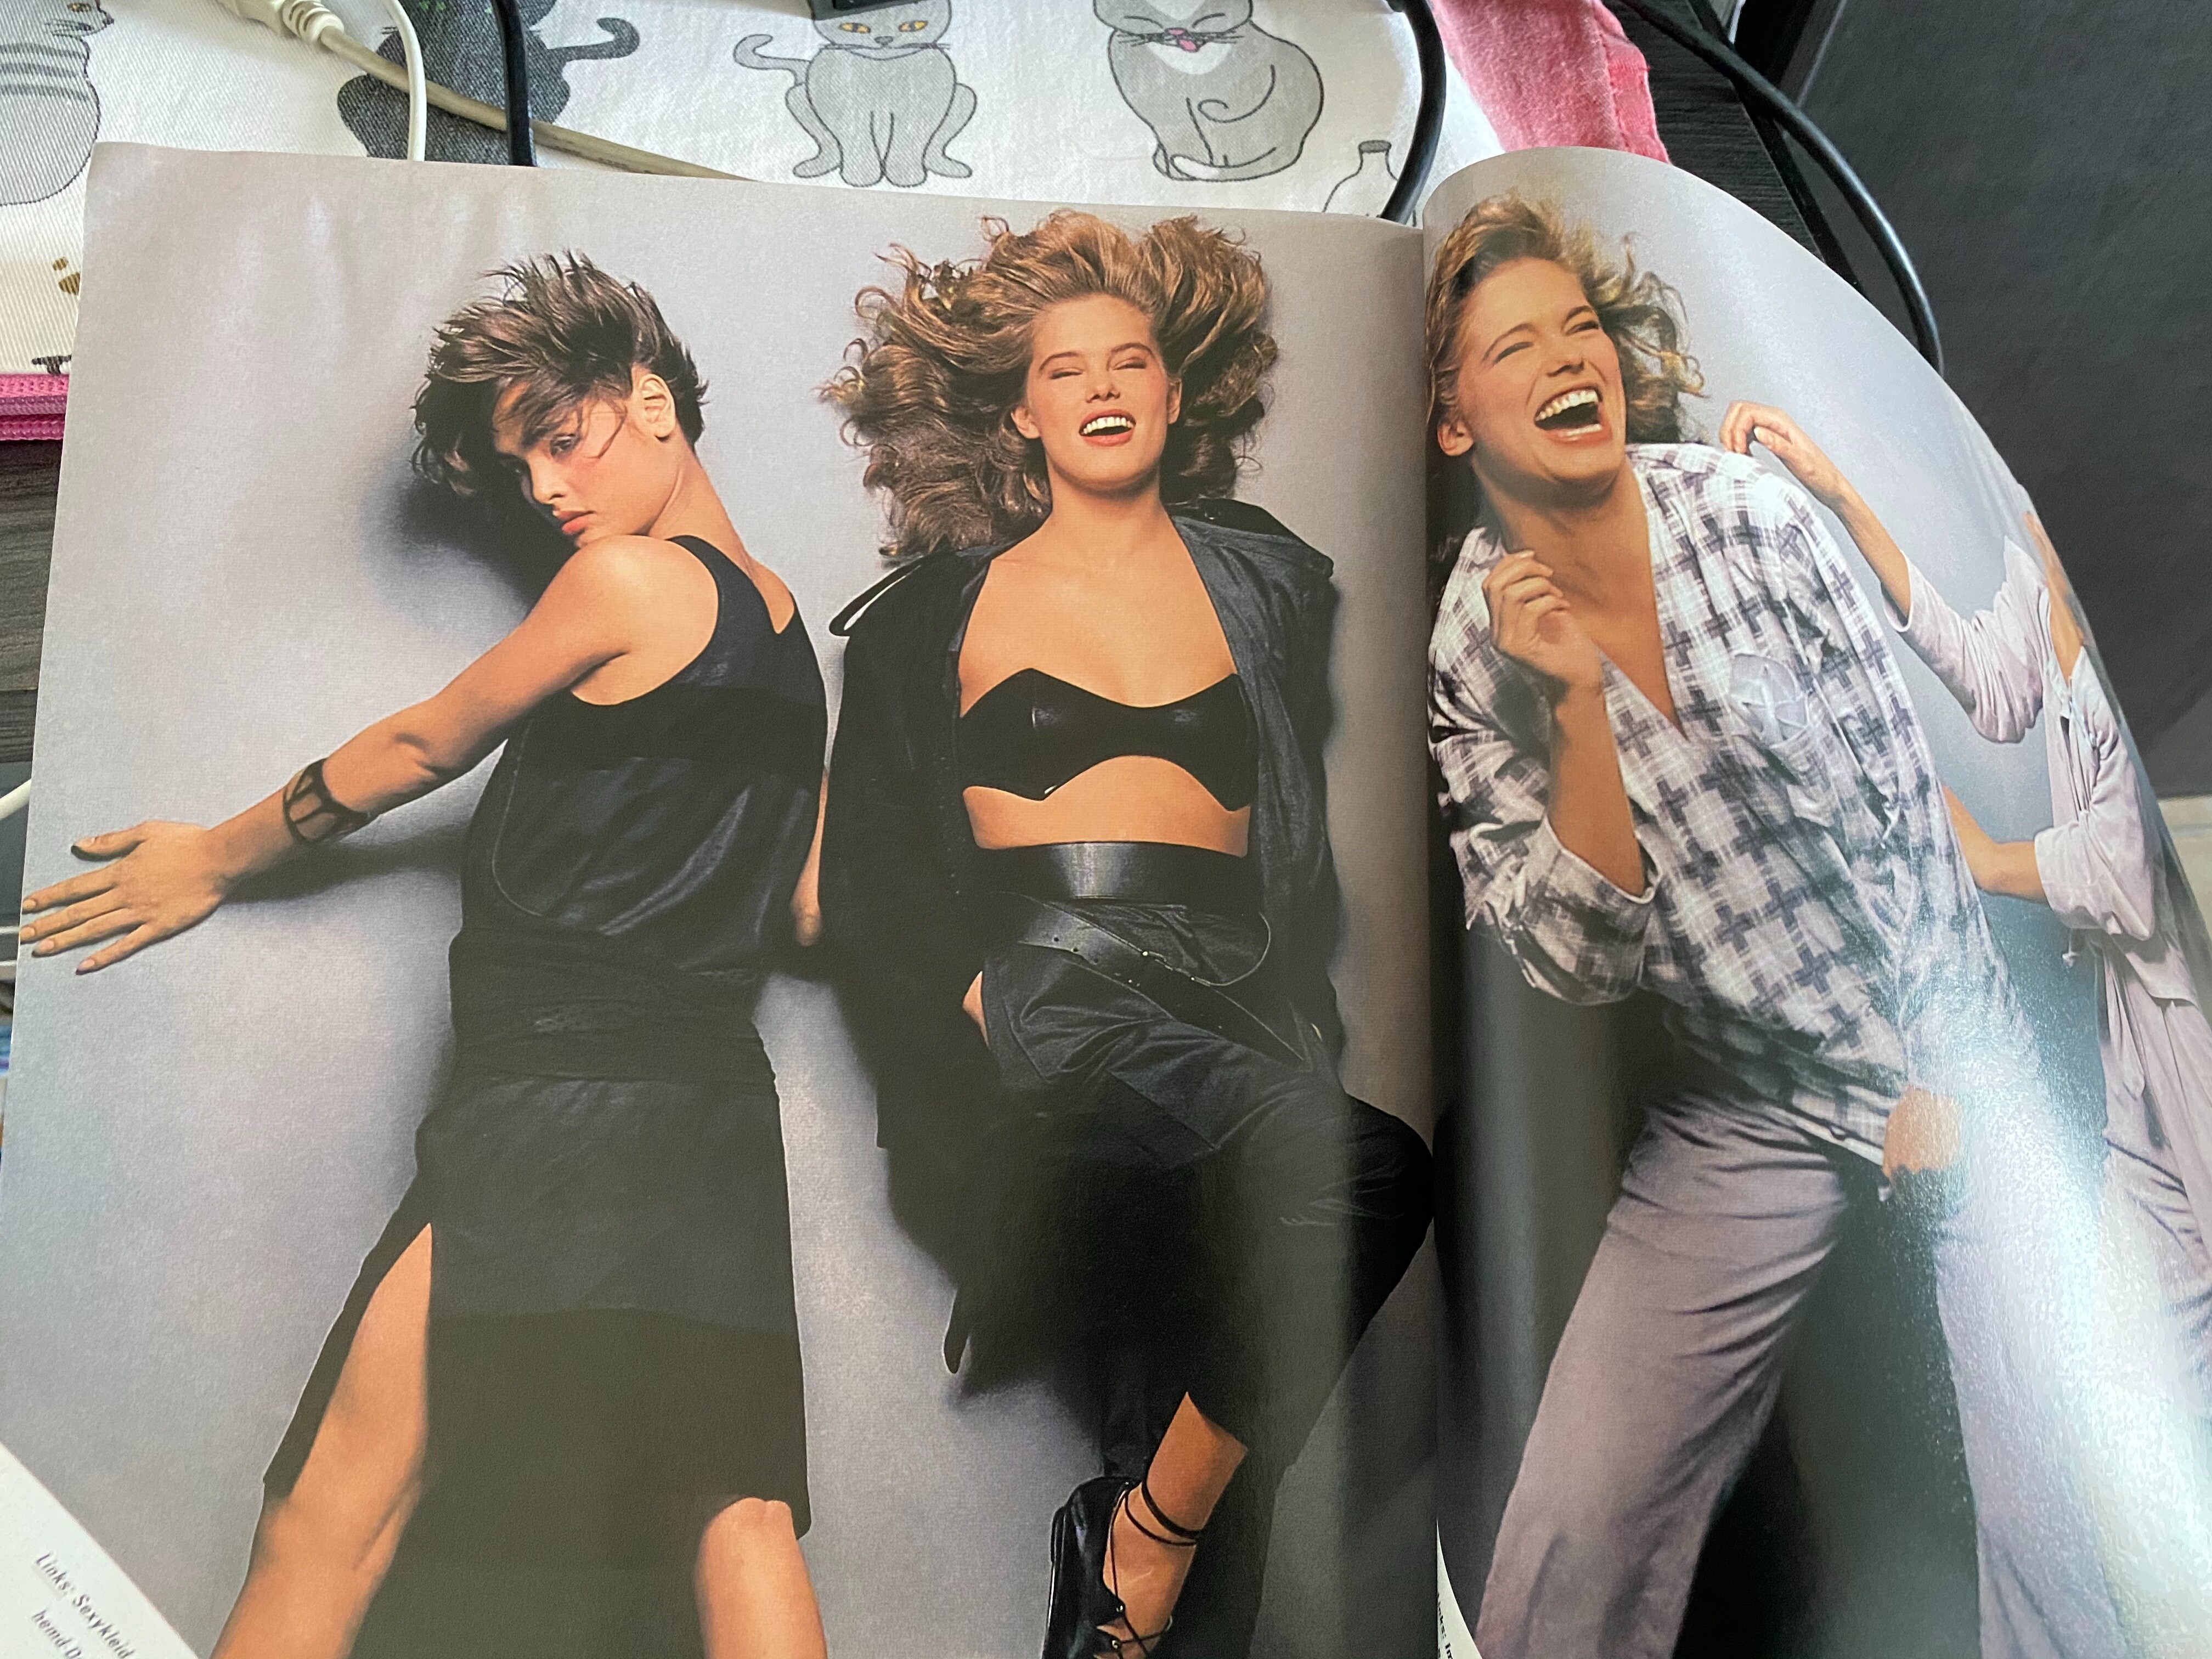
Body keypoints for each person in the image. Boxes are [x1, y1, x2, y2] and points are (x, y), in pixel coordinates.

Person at [19, 255, 830, 1659]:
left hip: (555, 1110)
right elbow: (805, 909)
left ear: (653, 402)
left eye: (561, 440)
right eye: (522, 470)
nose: (548, 491)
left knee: (330, 1521)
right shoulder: (789, 631)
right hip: (711, 1119)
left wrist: (214, 858)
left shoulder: (627, 580)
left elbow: (420, 744)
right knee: (734, 1517)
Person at [1423, 193, 2123, 1659]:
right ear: (1452, 421)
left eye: (1579, 327)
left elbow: (1904, 815)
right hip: (1746, 1103)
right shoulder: (1471, 649)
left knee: (2053, 1495)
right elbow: (1573, 966)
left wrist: (1936, 1070)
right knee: (1569, 1529)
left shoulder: (1748, 515)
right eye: (1514, 347)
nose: (1570, 357)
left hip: (1944, 1037)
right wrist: (1572, 708)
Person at [817, 210, 1432, 1659]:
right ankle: (1145, 1534)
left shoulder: (1266, 582)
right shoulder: (930, 618)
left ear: (1174, 389)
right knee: (1366, 1170)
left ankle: (1128, 1555)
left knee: (1214, 1451)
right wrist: (970, 1006)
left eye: (1131, 359)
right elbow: (872, 882)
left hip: (1241, 1006)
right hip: (1061, 1001)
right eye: (1065, 367)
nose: (1101, 385)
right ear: (1021, 413)